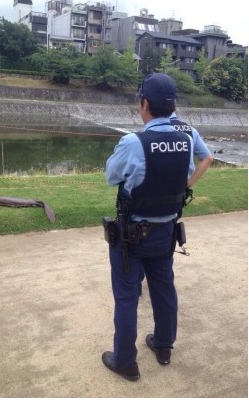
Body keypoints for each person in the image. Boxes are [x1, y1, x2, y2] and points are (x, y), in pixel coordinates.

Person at [101, 73, 213, 382]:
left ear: (145, 104)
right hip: (166, 233)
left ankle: (125, 361)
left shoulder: (133, 142)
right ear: (173, 104)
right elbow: (204, 161)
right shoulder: (188, 135)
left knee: (126, 297)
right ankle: (163, 345)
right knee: (164, 290)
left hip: (131, 237)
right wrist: (183, 188)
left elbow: (111, 177)